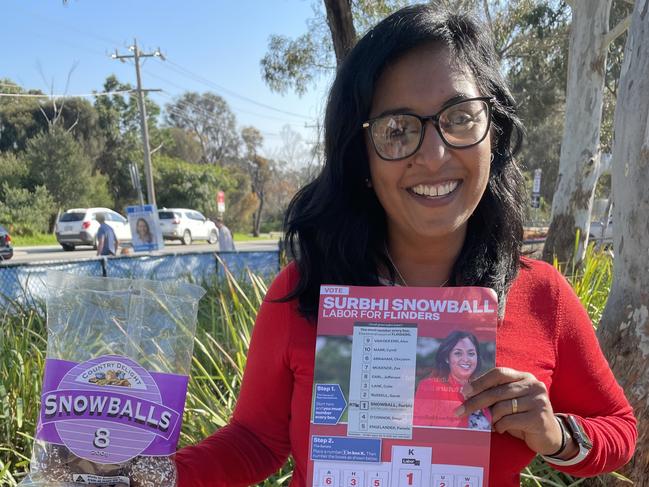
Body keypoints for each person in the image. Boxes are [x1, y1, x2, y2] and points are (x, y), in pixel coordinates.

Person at [175, 5, 636, 486]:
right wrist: (149, 475)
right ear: (363, 159)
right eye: (397, 130)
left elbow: (619, 430)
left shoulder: (541, 296)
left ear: (493, 135)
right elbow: (254, 441)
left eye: (459, 117)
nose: (434, 156)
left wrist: (557, 435)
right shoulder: (306, 290)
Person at [413, 331, 490, 429]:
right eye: (458, 353)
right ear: (447, 358)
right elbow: (419, 431)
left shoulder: (483, 388)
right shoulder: (430, 387)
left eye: (471, 353)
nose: (466, 359)